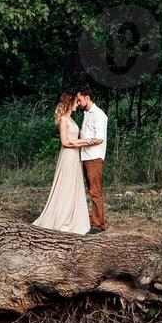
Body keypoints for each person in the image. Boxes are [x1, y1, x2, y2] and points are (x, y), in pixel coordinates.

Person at [32, 91, 102, 234]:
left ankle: (73, 215)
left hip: (75, 156)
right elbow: (65, 142)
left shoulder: (72, 119)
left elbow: (75, 138)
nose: (78, 104)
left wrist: (84, 141)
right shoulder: (63, 119)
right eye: (75, 102)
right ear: (69, 103)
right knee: (66, 186)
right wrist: (84, 142)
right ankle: (62, 217)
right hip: (68, 156)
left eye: (78, 101)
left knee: (73, 187)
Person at [75, 89, 109, 233]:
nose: (78, 102)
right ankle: (94, 219)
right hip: (86, 157)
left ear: (87, 98)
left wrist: (81, 142)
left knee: (95, 191)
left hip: (94, 158)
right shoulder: (87, 114)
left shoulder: (99, 115)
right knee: (91, 190)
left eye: (79, 99)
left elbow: (99, 139)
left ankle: (98, 225)